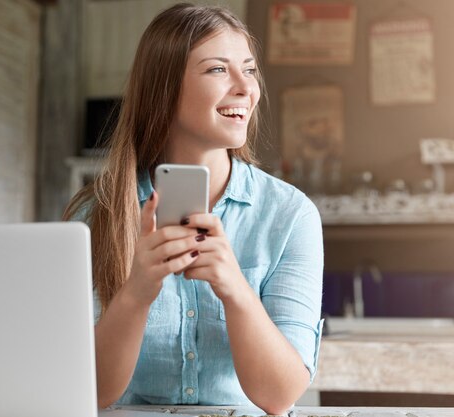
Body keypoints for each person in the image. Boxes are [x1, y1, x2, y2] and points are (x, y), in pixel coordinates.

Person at [64, 3, 323, 414]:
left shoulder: (290, 216)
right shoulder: (98, 214)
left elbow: (280, 396)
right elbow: (88, 393)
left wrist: (235, 289)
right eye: (218, 69)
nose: (245, 87)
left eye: (249, 69)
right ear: (164, 89)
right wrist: (135, 294)